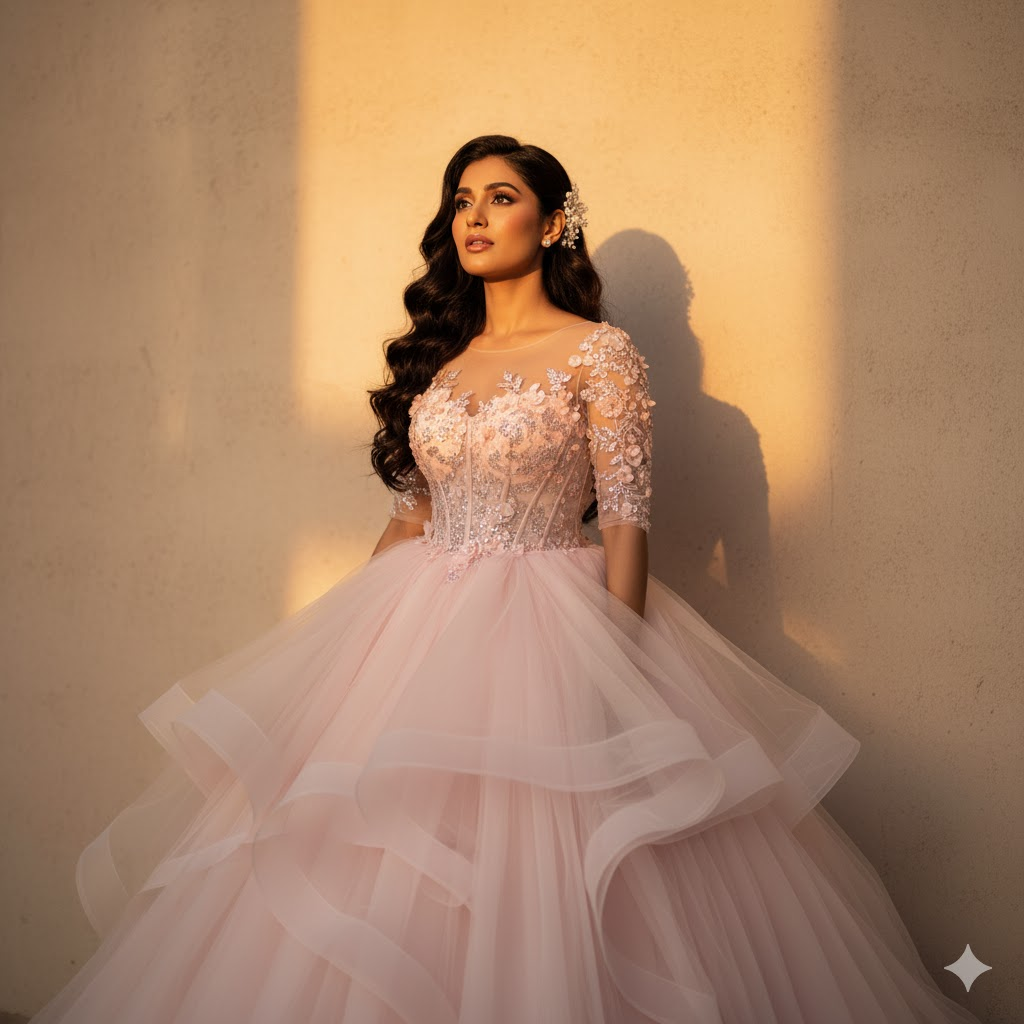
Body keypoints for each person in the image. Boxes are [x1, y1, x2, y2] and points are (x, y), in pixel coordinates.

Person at [29, 134, 983, 1024]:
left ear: (552, 221)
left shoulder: (599, 353)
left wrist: (613, 667)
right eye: (461, 201)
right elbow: (408, 517)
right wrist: (336, 664)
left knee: (554, 864)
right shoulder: (441, 362)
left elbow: (626, 524)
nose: (474, 217)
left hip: (552, 619)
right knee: (373, 848)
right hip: (417, 621)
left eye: (502, 197)